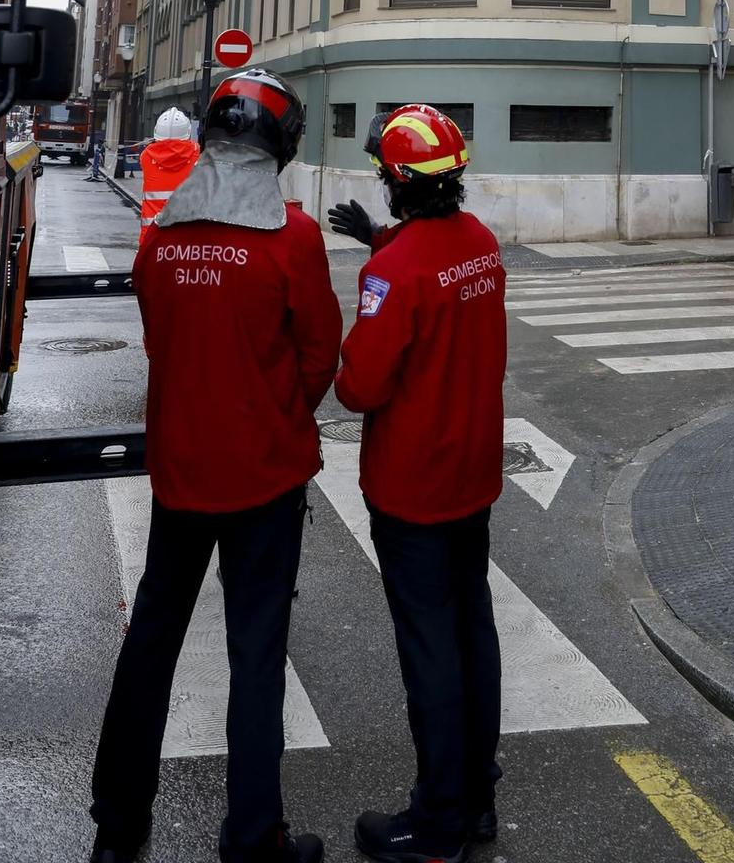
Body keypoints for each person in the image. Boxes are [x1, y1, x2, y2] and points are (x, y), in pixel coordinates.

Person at [90, 69, 341, 863]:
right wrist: (274, 414)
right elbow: (318, 355)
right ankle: (253, 839)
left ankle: (118, 825)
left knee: (151, 642)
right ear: (279, 147)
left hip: (180, 474)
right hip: (264, 478)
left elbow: (159, 341)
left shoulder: (161, 236)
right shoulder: (292, 238)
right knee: (256, 654)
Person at [331, 106, 506, 863]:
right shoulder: (481, 245)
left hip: (413, 488)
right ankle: (476, 796)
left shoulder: (393, 272)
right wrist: (375, 236)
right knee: (473, 633)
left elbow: (358, 388)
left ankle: (436, 826)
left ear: (396, 182)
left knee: (429, 651)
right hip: (472, 475)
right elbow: (435, 272)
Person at [139, 105, 201, 232]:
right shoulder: (197, 155)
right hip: (182, 234)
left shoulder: (146, 156)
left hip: (151, 234)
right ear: (187, 133)